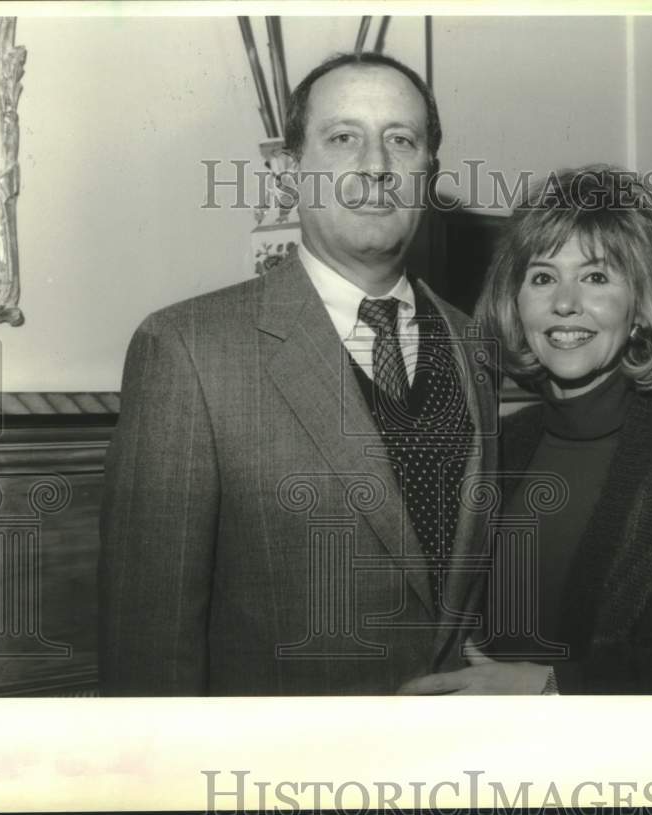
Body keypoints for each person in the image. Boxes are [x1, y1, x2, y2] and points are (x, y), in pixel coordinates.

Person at [98, 52, 498, 695]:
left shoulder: (473, 344)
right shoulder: (188, 349)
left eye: (401, 140)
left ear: (428, 173)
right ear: (289, 173)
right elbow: (148, 644)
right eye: (344, 138)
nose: (375, 166)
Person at [399, 166, 652, 695]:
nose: (565, 302)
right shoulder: (496, 447)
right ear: (517, 307)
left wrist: (557, 687)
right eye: (542, 277)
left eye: (595, 277)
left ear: (639, 310)